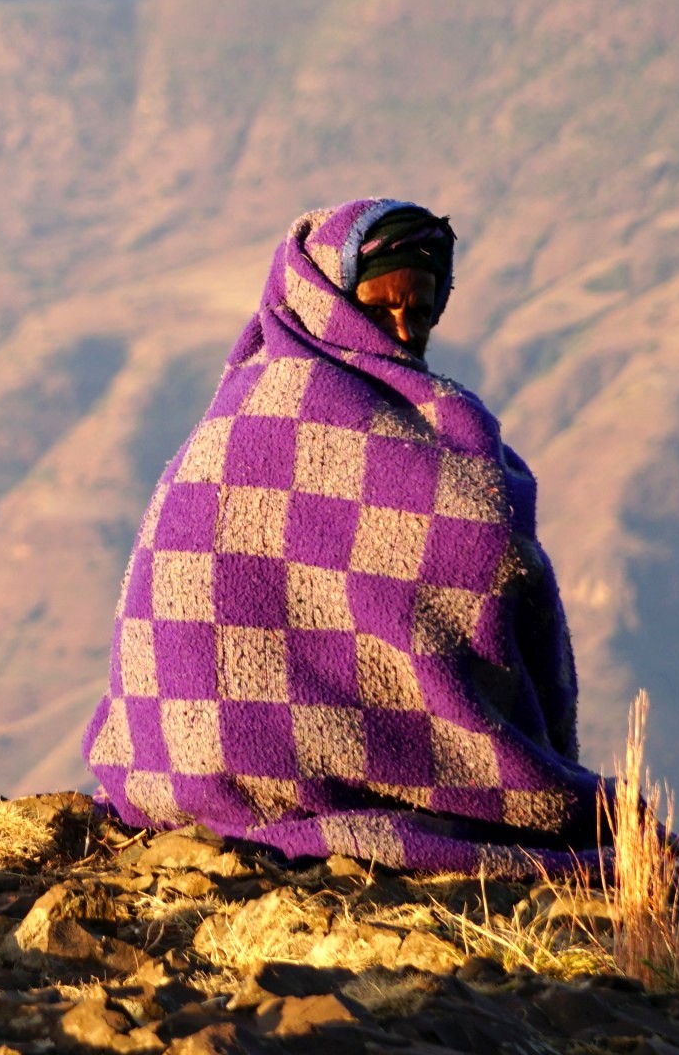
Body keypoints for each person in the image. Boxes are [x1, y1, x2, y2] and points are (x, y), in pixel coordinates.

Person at [81, 199, 604, 870]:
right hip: (212, 759)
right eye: (381, 305)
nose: (402, 328)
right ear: (323, 293)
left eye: (420, 310)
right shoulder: (245, 431)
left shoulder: (431, 426)